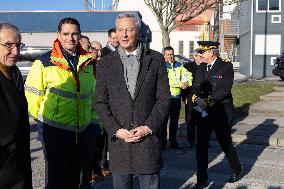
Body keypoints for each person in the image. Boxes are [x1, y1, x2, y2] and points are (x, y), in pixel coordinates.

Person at [95, 13, 170, 189]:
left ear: (137, 31)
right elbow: (100, 102)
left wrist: (148, 127)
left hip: (147, 140)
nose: (124, 34)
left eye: (128, 29)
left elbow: (163, 99)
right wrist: (115, 130)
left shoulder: (156, 59)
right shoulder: (105, 63)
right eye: (120, 30)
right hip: (120, 141)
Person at [25, 17, 100, 189]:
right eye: (66, 34)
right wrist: (44, 122)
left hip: (82, 133)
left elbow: (94, 96)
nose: (70, 38)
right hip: (54, 134)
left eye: (74, 34)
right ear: (58, 35)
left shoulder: (89, 63)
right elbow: (32, 97)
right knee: (56, 181)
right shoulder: (44, 63)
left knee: (75, 180)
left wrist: (94, 124)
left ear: (80, 35)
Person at [191, 41, 243, 188]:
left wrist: (206, 102)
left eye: (203, 52)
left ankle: (237, 169)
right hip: (203, 111)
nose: (200, 55)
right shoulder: (201, 67)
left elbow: (224, 90)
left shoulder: (226, 66)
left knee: (225, 142)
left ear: (212, 53)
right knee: (201, 145)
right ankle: (202, 179)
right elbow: (195, 86)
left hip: (221, 111)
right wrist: (196, 99)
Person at [0, 23, 33, 189]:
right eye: (8, 45)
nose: (15, 51)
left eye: (18, 45)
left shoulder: (14, 72)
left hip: (19, 167)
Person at [162, 46, 193, 149]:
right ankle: (162, 144)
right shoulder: (162, 66)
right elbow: (167, 81)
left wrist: (187, 83)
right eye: (168, 54)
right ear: (164, 55)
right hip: (165, 98)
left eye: (172, 54)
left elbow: (188, 74)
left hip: (176, 98)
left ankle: (173, 142)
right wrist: (180, 84)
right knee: (163, 122)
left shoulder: (179, 65)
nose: (170, 56)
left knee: (174, 122)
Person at [182, 49, 203, 148]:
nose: (202, 58)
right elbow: (184, 82)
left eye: (203, 56)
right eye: (200, 56)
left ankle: (203, 140)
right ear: (195, 56)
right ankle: (191, 140)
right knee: (190, 119)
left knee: (204, 118)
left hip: (204, 97)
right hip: (191, 96)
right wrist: (184, 96)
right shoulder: (188, 67)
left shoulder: (206, 66)